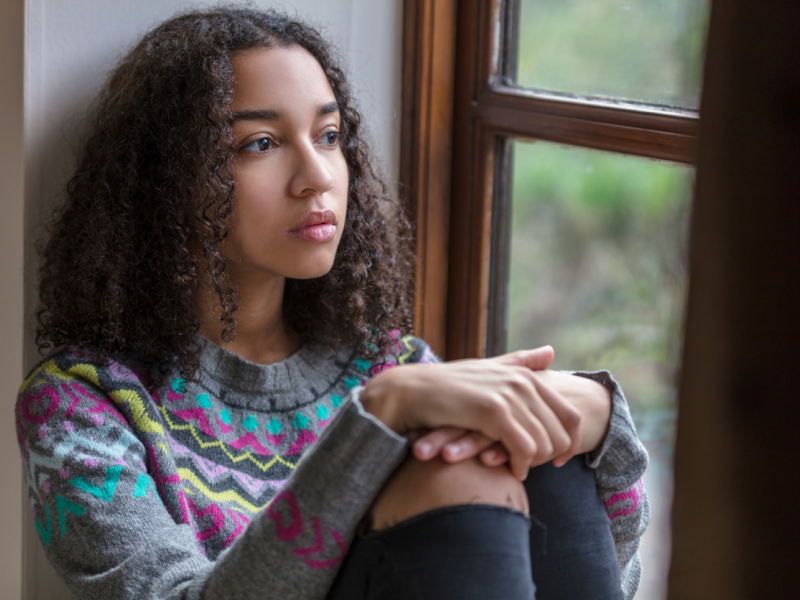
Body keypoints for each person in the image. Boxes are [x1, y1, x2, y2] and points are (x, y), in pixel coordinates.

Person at [15, 7, 648, 600]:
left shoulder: (387, 363)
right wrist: (376, 416)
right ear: (166, 179)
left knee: (523, 444)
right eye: (260, 143)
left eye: (328, 134)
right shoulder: (81, 405)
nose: (317, 175)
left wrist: (597, 423)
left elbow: (576, 574)